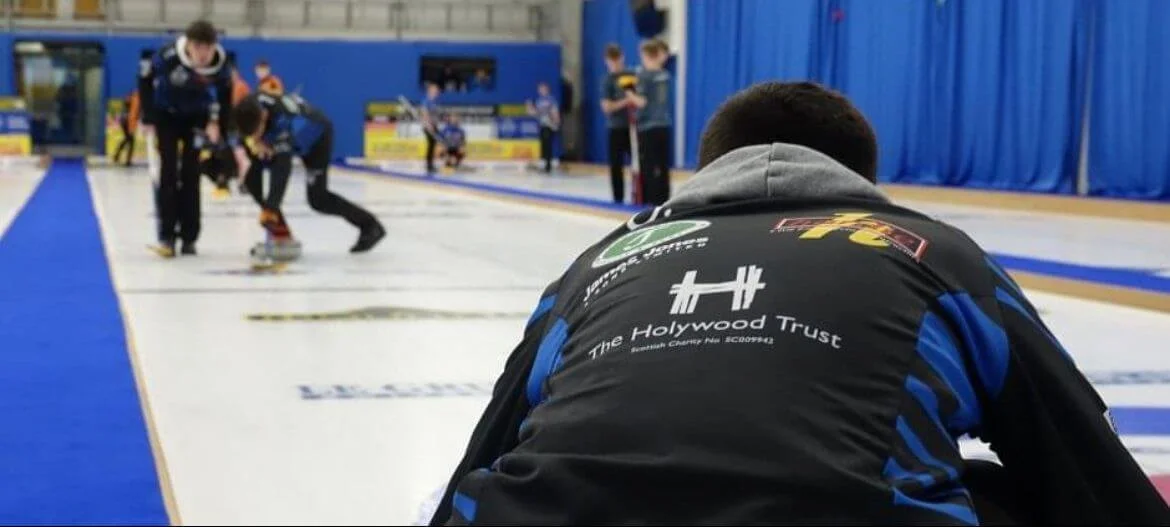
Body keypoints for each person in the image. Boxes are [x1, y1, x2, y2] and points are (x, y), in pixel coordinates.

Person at [429, 81, 1170, 525]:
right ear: (862, 183)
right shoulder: (934, 252)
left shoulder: (597, 262)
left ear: (706, 169)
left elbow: (483, 454)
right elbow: (1089, 471)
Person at [232, 91, 386, 254]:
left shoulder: (282, 122)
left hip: (317, 139)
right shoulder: (247, 108)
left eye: (258, 132)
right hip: (288, 136)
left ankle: (370, 225)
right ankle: (281, 235)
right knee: (251, 180)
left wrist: (271, 207)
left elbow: (282, 170)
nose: (256, 138)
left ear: (263, 116)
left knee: (318, 200)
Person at [139, 19, 232, 257]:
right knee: (167, 172)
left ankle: (190, 236)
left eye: (208, 48)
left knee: (192, 174)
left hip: (196, 119)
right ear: (188, 45)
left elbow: (225, 98)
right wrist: (148, 116)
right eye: (198, 47)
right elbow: (144, 80)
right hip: (166, 115)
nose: (203, 54)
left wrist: (221, 127)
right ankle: (167, 235)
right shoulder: (168, 56)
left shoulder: (221, 66)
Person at [625, 38, 673, 205]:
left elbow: (642, 102)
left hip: (648, 126)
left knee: (648, 165)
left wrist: (629, 93)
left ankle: (649, 201)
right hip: (664, 124)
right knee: (663, 164)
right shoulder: (664, 75)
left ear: (646, 55)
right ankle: (664, 199)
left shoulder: (645, 76)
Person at [599, 43, 637, 204]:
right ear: (606, 61)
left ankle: (638, 195)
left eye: (617, 61)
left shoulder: (631, 75)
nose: (615, 65)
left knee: (637, 164)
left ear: (622, 58)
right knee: (616, 165)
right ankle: (618, 199)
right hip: (615, 127)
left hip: (633, 127)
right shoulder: (607, 80)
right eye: (611, 62)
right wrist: (625, 101)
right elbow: (606, 107)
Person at [527, 82, 559, 173]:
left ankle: (548, 166)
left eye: (542, 89)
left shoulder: (551, 99)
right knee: (543, 145)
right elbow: (535, 113)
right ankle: (544, 164)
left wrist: (556, 122)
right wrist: (530, 108)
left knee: (548, 145)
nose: (541, 91)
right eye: (539, 89)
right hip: (542, 125)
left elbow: (554, 111)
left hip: (550, 125)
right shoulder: (539, 101)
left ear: (546, 89)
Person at [113, 89, 139, 167]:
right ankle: (126, 160)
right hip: (127, 121)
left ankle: (118, 156)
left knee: (128, 139)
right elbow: (133, 113)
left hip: (126, 121)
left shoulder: (132, 97)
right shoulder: (135, 98)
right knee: (130, 140)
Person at [420, 82, 442, 174]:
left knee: (433, 145)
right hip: (428, 126)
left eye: (437, 89)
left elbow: (436, 115)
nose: (437, 91)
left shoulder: (435, 101)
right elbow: (424, 113)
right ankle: (429, 166)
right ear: (430, 90)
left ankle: (431, 164)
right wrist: (429, 125)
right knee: (431, 145)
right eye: (435, 89)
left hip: (434, 125)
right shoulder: (426, 100)